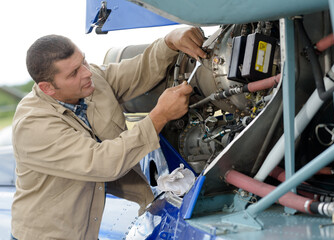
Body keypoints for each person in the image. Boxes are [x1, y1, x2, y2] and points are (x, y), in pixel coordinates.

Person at [11, 26, 206, 239]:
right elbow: (102, 163)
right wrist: (159, 116)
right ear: (47, 88)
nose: (87, 73)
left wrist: (170, 41)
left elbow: (139, 71)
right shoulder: (33, 125)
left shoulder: (91, 80)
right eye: (74, 73)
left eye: (83, 61)